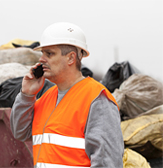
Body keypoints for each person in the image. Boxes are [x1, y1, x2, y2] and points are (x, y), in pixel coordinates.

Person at [10, 22, 124, 168]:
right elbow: (20, 132)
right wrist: (27, 95)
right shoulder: (47, 97)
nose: (41, 59)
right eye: (42, 53)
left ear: (71, 58)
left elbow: (108, 163)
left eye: (49, 54)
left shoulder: (97, 99)